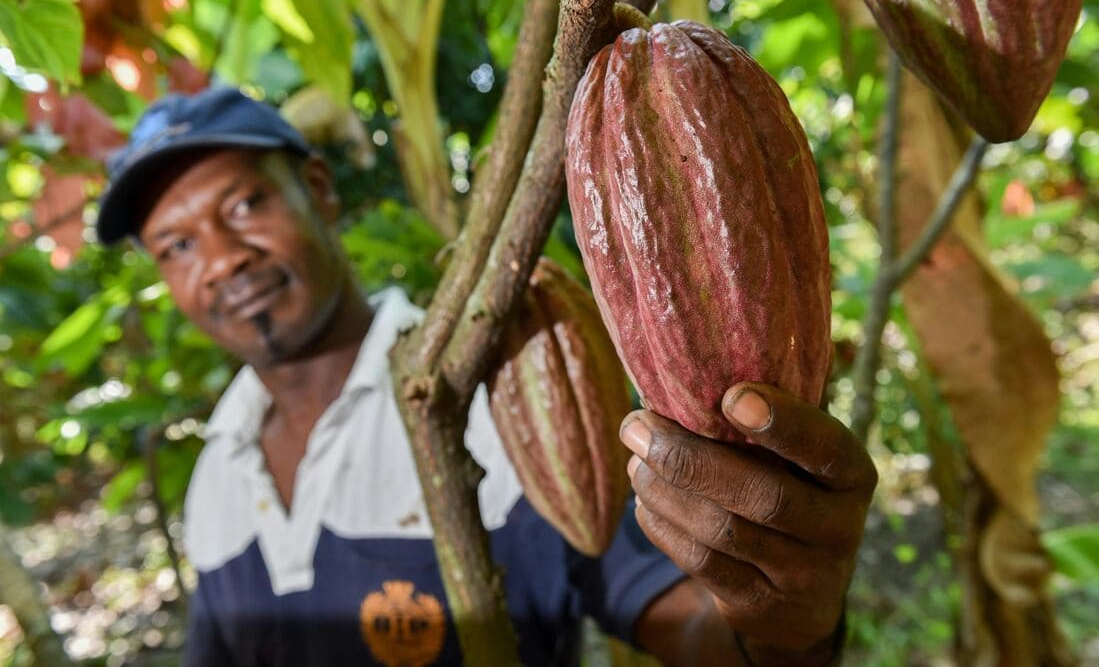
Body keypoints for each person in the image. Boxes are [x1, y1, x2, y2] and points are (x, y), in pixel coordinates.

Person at [95, 87, 877, 666]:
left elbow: (701, 632)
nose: (223, 259)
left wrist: (786, 622)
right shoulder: (216, 478)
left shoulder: (502, 390)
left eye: (244, 205)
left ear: (321, 191)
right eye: (177, 246)